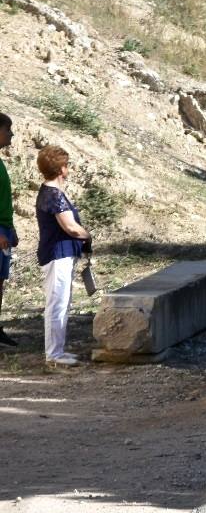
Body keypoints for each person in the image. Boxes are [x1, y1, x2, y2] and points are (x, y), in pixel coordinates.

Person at [34, 145, 90, 367]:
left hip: (61, 253)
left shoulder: (50, 192)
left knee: (62, 302)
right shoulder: (53, 194)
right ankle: (54, 355)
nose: (68, 169)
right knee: (57, 303)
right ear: (61, 169)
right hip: (57, 254)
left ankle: (58, 351)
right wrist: (88, 235)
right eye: (66, 165)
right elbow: (71, 228)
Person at [0, 112, 17, 347]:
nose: (11, 134)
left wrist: (11, 228)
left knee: (0, 281)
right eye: (7, 129)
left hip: (4, 227)